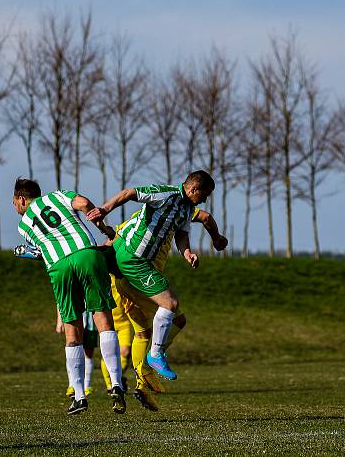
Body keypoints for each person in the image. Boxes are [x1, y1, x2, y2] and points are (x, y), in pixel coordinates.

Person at [12, 177, 126, 415]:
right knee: (103, 320)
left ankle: (79, 396)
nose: (15, 207)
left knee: (72, 331)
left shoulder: (23, 226)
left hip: (59, 266)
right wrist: (103, 228)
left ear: (21, 199)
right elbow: (84, 203)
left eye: (14, 203)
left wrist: (29, 254)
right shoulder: (58, 195)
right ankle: (116, 384)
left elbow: (44, 251)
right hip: (87, 254)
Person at [87, 170, 215, 381]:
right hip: (133, 259)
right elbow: (130, 193)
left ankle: (138, 376)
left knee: (153, 326)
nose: (205, 199)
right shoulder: (165, 193)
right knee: (171, 304)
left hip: (133, 259)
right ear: (193, 189)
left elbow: (181, 236)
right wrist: (105, 208)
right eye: (205, 194)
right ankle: (155, 355)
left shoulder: (187, 208)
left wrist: (188, 253)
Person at [111, 207, 227, 412]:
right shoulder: (172, 209)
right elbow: (205, 216)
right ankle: (146, 370)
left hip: (120, 282)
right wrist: (217, 238)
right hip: (141, 280)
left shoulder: (136, 221)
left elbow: (109, 243)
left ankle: (139, 386)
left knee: (142, 333)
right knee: (176, 319)